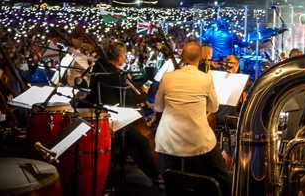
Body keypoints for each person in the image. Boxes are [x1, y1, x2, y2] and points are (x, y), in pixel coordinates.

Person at [154, 39, 231, 194]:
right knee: (223, 175)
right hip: (198, 142)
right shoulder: (206, 78)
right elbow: (214, 107)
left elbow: (158, 107)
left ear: (182, 56)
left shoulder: (168, 77)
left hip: (168, 142)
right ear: (201, 57)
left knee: (172, 181)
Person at [89, 41, 160, 186]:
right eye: (124, 55)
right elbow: (129, 104)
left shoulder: (99, 68)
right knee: (141, 141)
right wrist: (143, 97)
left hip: (99, 113)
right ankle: (155, 175)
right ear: (118, 57)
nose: (126, 59)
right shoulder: (116, 75)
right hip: (114, 118)